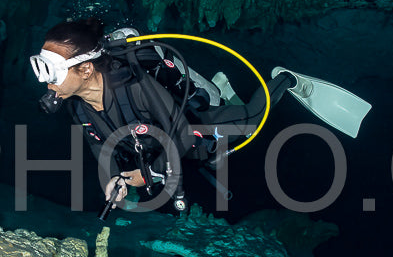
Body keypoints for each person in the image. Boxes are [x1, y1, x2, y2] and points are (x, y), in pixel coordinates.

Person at [31, 17, 325, 213]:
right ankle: (220, 94)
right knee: (206, 161)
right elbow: (98, 143)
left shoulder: (133, 84)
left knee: (251, 120)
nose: (47, 82)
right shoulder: (77, 104)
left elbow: (182, 133)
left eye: (53, 72)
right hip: (160, 143)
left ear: (86, 68)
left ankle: (286, 80)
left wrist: (150, 174)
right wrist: (112, 178)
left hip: (191, 123)